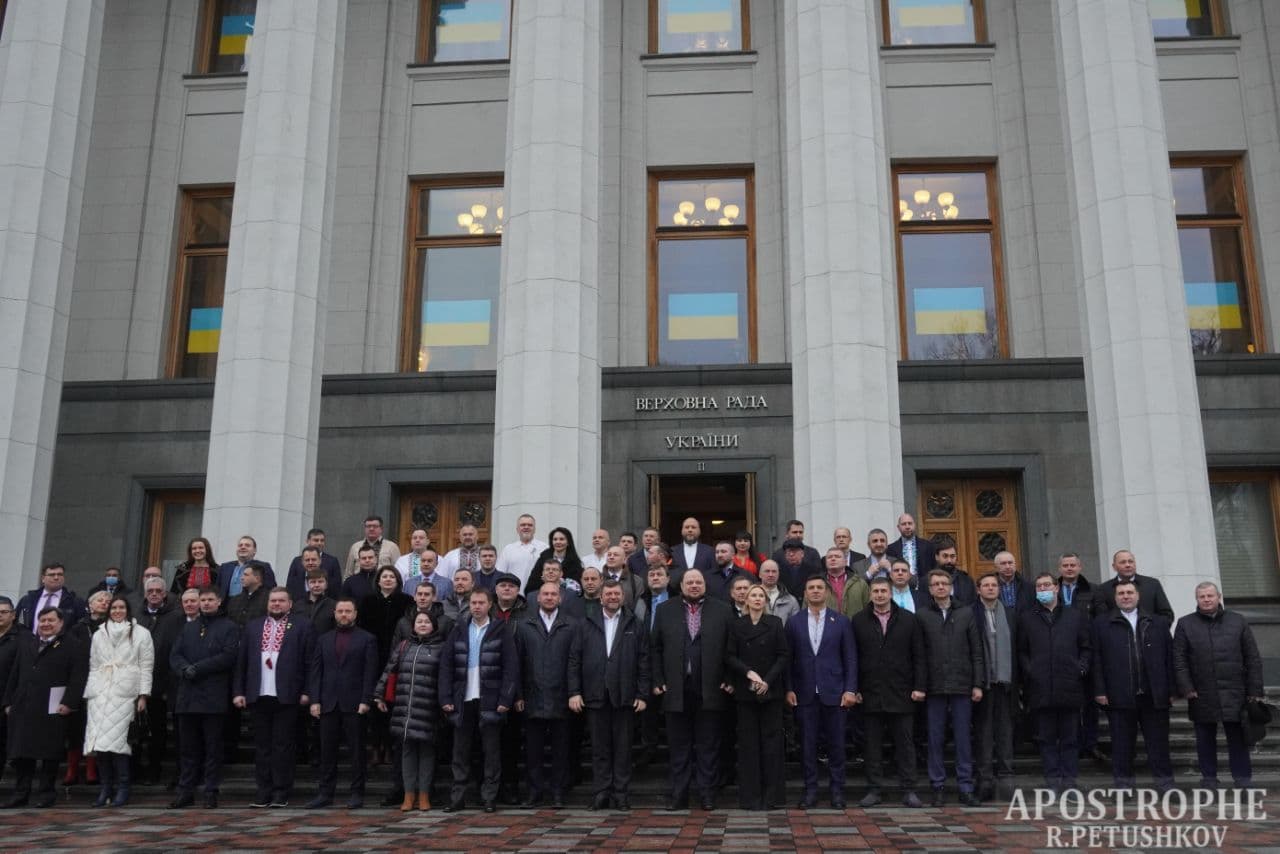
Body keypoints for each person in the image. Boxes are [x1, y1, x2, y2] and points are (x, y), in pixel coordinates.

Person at [650, 569, 733, 811]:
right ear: (681, 585)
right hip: (675, 688)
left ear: (705, 584)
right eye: (690, 582)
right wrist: (657, 679)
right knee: (679, 747)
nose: (694, 585)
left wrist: (729, 678)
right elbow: (655, 648)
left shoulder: (723, 610)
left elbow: (731, 648)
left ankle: (707, 794)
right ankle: (679, 795)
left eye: (698, 582)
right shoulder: (665, 610)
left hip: (711, 688)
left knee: (709, 746)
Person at [1173, 580, 1264, 790]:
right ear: (1196, 599)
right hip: (1201, 692)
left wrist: (1254, 689)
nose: (1206, 600)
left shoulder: (1238, 621)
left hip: (1236, 691)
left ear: (1219, 597)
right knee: (1205, 740)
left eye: (1210, 596)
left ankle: (1243, 781)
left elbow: (1252, 657)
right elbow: (1179, 659)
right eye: (1202, 596)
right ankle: (1209, 780)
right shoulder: (1185, 624)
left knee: (1238, 739)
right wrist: (1186, 688)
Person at [569, 578, 649, 811]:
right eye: (608, 594)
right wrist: (574, 691)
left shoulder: (635, 624)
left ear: (623, 597)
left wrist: (642, 693)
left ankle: (621, 794)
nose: (613, 597)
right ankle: (601, 792)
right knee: (599, 749)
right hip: (595, 694)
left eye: (616, 594)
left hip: (625, 695)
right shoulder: (586, 623)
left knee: (623, 749)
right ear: (601, 598)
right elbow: (574, 660)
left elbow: (644, 661)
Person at [233, 587, 317, 808]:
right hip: (258, 693)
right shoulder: (253, 626)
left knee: (283, 746)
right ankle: (263, 791)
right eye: (273, 601)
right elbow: (242, 661)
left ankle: (281, 791)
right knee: (262, 747)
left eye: (281, 600)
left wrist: (307, 691)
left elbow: (310, 662)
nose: (276, 604)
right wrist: (239, 691)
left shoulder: (303, 625)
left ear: (290, 604)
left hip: (287, 694)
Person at [1092, 579, 1175, 791]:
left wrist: (1171, 689)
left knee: (1158, 744)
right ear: (1115, 598)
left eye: (1130, 592)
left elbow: (1170, 658)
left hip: (1153, 694)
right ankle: (1123, 786)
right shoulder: (1101, 624)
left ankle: (1165, 784)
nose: (1126, 596)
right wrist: (1100, 690)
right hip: (1119, 694)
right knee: (1122, 746)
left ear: (1138, 596)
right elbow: (1097, 660)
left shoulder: (1157, 622)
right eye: (1121, 593)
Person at [440, 588, 518, 813]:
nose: (476, 607)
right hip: (462, 698)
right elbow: (446, 665)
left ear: (489, 604)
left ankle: (489, 797)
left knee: (491, 752)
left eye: (481, 603)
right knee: (460, 752)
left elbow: (511, 667)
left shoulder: (500, 630)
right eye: (473, 603)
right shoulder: (459, 629)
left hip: (490, 698)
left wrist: (506, 698)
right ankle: (457, 797)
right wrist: (445, 697)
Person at [850, 576, 926, 808]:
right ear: (870, 594)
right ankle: (874, 789)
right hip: (870, 691)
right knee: (872, 746)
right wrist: (855, 688)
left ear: (891, 593)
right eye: (876, 591)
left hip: (902, 691)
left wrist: (919, 686)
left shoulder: (908, 619)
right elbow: (854, 657)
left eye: (884, 591)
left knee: (905, 744)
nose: (880, 595)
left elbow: (919, 656)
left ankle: (909, 789)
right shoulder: (859, 620)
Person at [2, 607, 88, 808]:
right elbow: (15, 674)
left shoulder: (73, 645)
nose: (46, 624)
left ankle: (46, 793)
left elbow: (78, 677)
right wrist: (8, 702)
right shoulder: (28, 643)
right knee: (22, 753)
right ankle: (21, 793)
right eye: (42, 620)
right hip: (24, 706)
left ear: (61, 623)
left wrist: (69, 702)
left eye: (51, 620)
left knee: (49, 753)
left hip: (53, 707)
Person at [786, 576, 858, 810]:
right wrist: (789, 688)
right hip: (805, 693)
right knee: (807, 746)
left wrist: (850, 689)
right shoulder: (794, 622)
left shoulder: (842, 622)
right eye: (811, 588)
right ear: (805, 593)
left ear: (827, 593)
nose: (816, 591)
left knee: (837, 745)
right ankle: (811, 791)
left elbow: (850, 658)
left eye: (819, 587)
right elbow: (788, 659)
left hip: (835, 692)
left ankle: (837, 791)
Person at [1018, 572, 1090, 793]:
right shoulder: (1027, 618)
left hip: (1069, 685)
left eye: (1047, 585)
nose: (1043, 589)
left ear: (1056, 588)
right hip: (1040, 687)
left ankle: (1069, 780)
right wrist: (1030, 671)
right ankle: (1052, 779)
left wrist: (1080, 668)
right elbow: (1022, 651)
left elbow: (1086, 646)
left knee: (1070, 738)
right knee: (1046, 738)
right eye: (1039, 586)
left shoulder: (1074, 616)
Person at [917, 569, 984, 806]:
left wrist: (977, 684)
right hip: (934, 686)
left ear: (951, 587)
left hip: (962, 685)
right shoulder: (922, 615)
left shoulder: (966, 613)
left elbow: (977, 651)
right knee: (935, 739)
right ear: (930, 589)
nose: (940, 587)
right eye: (936, 584)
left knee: (963, 739)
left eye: (944, 583)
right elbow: (919, 654)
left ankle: (965, 786)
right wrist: (920, 685)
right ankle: (937, 786)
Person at [168, 587, 239, 809]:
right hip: (188, 696)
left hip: (213, 697)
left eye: (210, 599)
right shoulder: (189, 627)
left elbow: (228, 656)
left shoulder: (229, 627)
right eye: (203, 600)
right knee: (188, 748)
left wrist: (197, 668)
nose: (206, 603)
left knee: (212, 748)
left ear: (219, 601)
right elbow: (175, 654)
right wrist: (183, 668)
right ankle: (186, 791)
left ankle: (210, 791)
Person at [306, 599, 378, 809]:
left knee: (356, 751)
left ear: (355, 614)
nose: (344, 615)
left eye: (348, 611)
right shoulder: (324, 639)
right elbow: (316, 671)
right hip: (328, 702)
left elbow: (370, 672)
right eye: (340, 611)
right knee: (327, 751)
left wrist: (366, 699)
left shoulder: (367, 639)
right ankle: (325, 793)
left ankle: (357, 793)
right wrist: (315, 700)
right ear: (335, 613)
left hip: (355, 703)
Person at [83, 597, 154, 807]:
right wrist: (91, 691)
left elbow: (146, 665)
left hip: (125, 692)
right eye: (114, 607)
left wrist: (143, 695)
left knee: (120, 744)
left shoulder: (141, 633)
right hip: (101, 693)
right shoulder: (99, 634)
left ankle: (123, 787)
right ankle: (105, 788)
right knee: (100, 744)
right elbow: (93, 665)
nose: (117, 611)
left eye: (121, 607)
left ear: (128, 609)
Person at [513, 582, 578, 808]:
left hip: (562, 697)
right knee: (533, 751)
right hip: (533, 697)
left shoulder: (572, 625)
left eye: (553, 594)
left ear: (560, 598)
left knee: (561, 751)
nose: (549, 597)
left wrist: (574, 692)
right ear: (537, 598)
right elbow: (517, 663)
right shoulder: (524, 625)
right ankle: (535, 792)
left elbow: (575, 661)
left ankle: (558, 792)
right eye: (545, 594)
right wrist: (518, 695)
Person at [725, 583, 788, 810]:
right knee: (748, 745)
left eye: (761, 595)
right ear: (746, 600)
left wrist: (767, 680)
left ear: (766, 601)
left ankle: (773, 798)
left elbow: (783, 655)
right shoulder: (736, 625)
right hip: (746, 691)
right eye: (753, 595)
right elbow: (729, 656)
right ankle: (750, 798)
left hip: (770, 691)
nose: (757, 598)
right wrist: (748, 672)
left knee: (772, 745)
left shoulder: (775, 623)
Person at [374, 611, 445, 812]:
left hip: (429, 707)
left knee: (427, 753)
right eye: (419, 621)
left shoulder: (441, 648)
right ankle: (408, 795)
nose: (422, 624)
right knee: (407, 753)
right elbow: (389, 670)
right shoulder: (404, 646)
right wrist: (379, 694)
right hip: (405, 707)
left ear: (434, 626)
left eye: (427, 622)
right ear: (413, 625)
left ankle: (424, 795)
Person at [358, 566, 413, 786]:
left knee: (392, 703)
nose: (388, 580)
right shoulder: (368, 601)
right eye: (384, 577)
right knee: (374, 704)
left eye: (392, 576)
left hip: (397, 657)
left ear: (398, 580)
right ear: (378, 581)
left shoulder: (406, 601)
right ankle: (375, 746)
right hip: (372, 656)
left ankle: (389, 747)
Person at [971, 571, 1018, 802]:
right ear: (978, 589)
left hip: (1005, 682)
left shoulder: (1009, 613)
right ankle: (985, 778)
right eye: (986, 585)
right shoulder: (971, 613)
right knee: (984, 732)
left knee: (1005, 730)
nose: (991, 588)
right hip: (983, 683)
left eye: (994, 585)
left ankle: (1006, 776)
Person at [135, 577, 182, 786]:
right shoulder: (136, 616)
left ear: (165, 594)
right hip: (136, 683)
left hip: (163, 683)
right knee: (136, 730)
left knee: (158, 730)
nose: (154, 594)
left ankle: (154, 769)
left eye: (158, 591)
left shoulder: (176, 617)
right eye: (150, 591)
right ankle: (135, 769)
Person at [1057, 552, 1102, 764]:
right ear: (1060, 568)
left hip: (1087, 650)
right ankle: (1071, 743)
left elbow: (1101, 620)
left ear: (1080, 567)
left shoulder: (1093, 590)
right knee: (1067, 703)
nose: (1069, 568)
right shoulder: (1053, 590)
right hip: (1061, 652)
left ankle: (1090, 743)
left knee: (1089, 702)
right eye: (1065, 565)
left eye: (1072, 565)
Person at [0, 597, 30, 787]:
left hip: (8, 702)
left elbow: (23, 671)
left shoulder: (23, 637)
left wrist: (11, 701)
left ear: (13, 615)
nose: (0, 616)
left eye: (4, 612)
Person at [1095, 550, 1175, 620]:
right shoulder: (1104, 589)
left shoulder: (1152, 584)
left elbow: (1166, 614)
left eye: (1131, 561)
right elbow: (1102, 618)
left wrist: (1155, 630)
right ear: (1114, 567)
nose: (1128, 565)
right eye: (1123, 562)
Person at [16, 562, 87, 629]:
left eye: (60, 574)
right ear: (43, 579)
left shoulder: (74, 601)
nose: (56, 577)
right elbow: (16, 622)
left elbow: (82, 626)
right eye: (52, 575)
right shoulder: (28, 600)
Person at [392, 582, 454, 647]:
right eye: (419, 594)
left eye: (426, 594)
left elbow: (450, 648)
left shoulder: (446, 622)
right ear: (415, 597)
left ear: (434, 598)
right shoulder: (403, 621)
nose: (422, 598)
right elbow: (395, 648)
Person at [496, 514, 548, 589]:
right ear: (517, 529)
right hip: (514, 594)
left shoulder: (544, 548)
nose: (526, 527)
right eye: (523, 525)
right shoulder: (508, 549)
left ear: (534, 529)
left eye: (530, 525)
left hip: (537, 593)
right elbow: (500, 574)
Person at [528, 526, 585, 591]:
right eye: (555, 539)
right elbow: (532, 583)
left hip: (565, 595)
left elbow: (578, 587)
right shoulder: (543, 557)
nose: (558, 542)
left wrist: (560, 581)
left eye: (561, 539)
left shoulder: (574, 561)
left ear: (568, 542)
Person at [285, 541, 342, 605]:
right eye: (307, 560)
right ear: (302, 562)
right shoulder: (294, 582)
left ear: (320, 561)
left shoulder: (331, 581)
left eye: (313, 560)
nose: (310, 563)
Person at [669, 517, 715, 590]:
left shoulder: (710, 551)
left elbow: (713, 573)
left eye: (693, 527)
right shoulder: (672, 551)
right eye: (687, 527)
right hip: (678, 592)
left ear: (699, 531)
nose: (690, 530)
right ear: (682, 531)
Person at [823, 546, 869, 617]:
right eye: (829, 557)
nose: (833, 559)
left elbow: (868, 608)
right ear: (826, 562)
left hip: (853, 623)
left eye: (837, 556)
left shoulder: (860, 583)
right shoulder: (817, 584)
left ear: (845, 562)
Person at [886, 513, 936, 578]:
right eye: (904, 524)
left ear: (914, 525)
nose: (907, 527)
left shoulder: (928, 546)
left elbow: (934, 567)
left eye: (910, 523)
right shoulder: (890, 549)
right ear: (898, 527)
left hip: (924, 583)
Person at [933, 537, 976, 606]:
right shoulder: (926, 580)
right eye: (945, 556)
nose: (949, 560)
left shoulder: (966, 580)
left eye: (952, 556)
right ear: (937, 557)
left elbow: (973, 604)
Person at [225, 562, 270, 626]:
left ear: (257, 578)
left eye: (246, 575)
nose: (242, 578)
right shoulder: (235, 600)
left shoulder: (269, 599)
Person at [302, 569, 337, 634]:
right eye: (313, 582)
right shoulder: (298, 605)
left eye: (320, 582)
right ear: (307, 584)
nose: (317, 585)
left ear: (326, 584)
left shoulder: (334, 606)